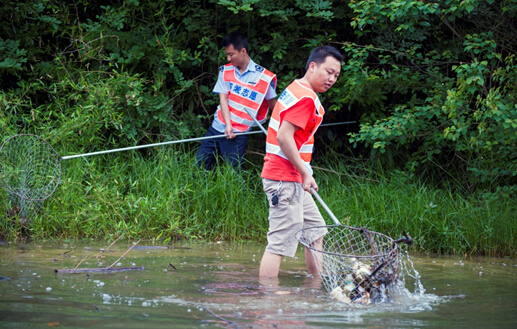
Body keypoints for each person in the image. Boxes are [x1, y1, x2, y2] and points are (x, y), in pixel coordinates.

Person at [259, 45, 344, 277]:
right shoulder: (306, 98)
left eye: (336, 75)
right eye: (328, 72)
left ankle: (315, 287)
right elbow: (284, 137)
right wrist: (306, 172)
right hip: (283, 178)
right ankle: (268, 299)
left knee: (316, 231)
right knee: (280, 241)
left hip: (293, 177)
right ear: (312, 66)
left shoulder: (296, 87)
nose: (332, 79)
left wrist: (303, 174)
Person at [196, 31, 277, 171]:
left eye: (231, 54)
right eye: (227, 54)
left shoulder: (263, 77)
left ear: (243, 51)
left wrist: (281, 130)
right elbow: (223, 100)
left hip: (238, 134)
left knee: (234, 174)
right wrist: (228, 125)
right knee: (200, 165)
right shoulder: (225, 71)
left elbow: (274, 107)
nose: (228, 58)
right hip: (218, 126)